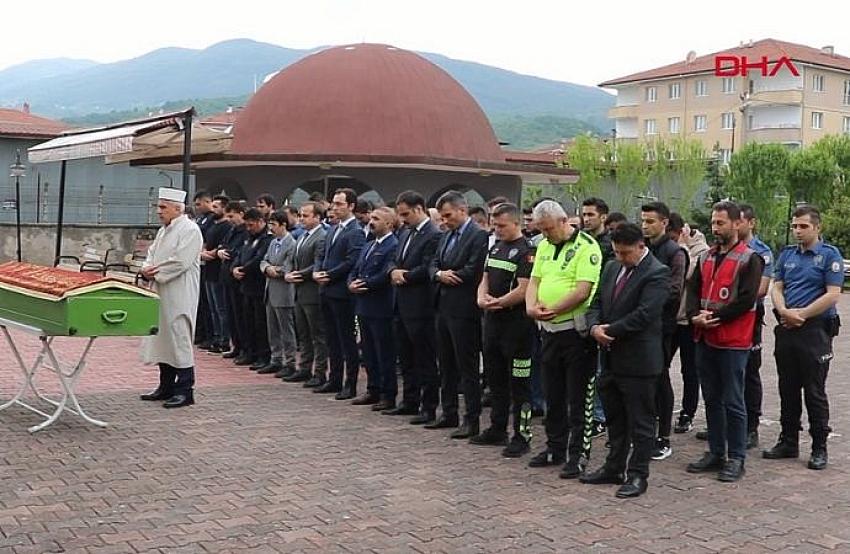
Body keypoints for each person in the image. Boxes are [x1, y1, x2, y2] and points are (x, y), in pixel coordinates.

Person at [581, 223, 669, 498]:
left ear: (641, 246)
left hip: (639, 360)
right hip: (609, 357)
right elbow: (595, 302)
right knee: (615, 417)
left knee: (641, 421)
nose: (621, 258)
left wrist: (609, 331)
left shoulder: (657, 273)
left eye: (626, 253)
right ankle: (614, 466)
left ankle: (638, 474)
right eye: (617, 252)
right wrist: (594, 326)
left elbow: (645, 314)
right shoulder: (611, 267)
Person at [684, 201, 762, 483]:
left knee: (733, 400)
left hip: (732, 341)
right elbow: (692, 290)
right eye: (713, 223)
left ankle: (737, 457)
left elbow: (746, 299)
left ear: (736, 224)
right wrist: (695, 316)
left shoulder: (750, 258)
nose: (715, 228)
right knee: (712, 398)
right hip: (705, 337)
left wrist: (714, 316)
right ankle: (716, 452)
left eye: (721, 223)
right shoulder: (706, 258)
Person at [526, 200, 601, 479]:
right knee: (552, 394)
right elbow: (534, 280)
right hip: (548, 333)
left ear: (563, 221)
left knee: (577, 398)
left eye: (548, 229)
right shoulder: (543, 246)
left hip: (574, 333)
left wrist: (555, 310)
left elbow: (583, 290)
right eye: (540, 230)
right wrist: (531, 307)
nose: (545, 234)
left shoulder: (586, 247)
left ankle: (578, 454)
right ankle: (554, 447)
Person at [763, 205, 842, 471]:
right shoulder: (787, 255)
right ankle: (788, 440)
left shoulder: (829, 255)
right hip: (788, 327)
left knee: (814, 390)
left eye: (803, 226)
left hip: (815, 330)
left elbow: (833, 293)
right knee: (787, 386)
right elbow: (777, 285)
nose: (797, 231)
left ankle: (819, 445)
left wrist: (803, 314)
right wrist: (784, 311)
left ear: (817, 227)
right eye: (794, 226)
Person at [470, 202, 536, 458]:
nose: (497, 230)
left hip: (516, 327)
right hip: (493, 325)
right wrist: (482, 298)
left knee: (519, 384)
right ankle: (498, 429)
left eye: (502, 226)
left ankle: (522, 435)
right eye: (494, 225)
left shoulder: (527, 251)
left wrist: (499, 302)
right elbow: (484, 278)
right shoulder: (495, 247)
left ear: (517, 223)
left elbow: (523, 288)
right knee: (495, 380)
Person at [426, 190, 489, 438]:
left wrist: (453, 275)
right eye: (442, 216)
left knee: (467, 366)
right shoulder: (446, 236)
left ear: (463, 210)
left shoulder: (478, 236)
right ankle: (449, 411)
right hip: (442, 306)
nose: (444, 220)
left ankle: (471, 419)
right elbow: (433, 262)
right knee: (446, 363)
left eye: (449, 215)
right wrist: (439, 275)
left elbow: (474, 267)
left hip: (464, 310)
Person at [139, 188, 203, 408]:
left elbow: (180, 261)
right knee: (162, 338)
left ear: (178, 208)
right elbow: (151, 254)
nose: (159, 211)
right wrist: (145, 268)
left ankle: (185, 389)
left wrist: (154, 272)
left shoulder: (190, 230)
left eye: (163, 207)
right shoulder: (163, 230)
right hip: (161, 290)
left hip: (180, 292)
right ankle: (165, 386)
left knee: (179, 338)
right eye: (159, 206)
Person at [388, 191, 442, 423]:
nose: (403, 219)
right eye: (400, 215)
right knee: (406, 356)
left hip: (421, 307)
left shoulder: (433, 235)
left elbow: (429, 266)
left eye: (406, 214)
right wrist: (393, 271)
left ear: (419, 209)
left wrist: (406, 275)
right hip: (401, 303)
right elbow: (394, 258)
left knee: (424, 358)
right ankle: (409, 400)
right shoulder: (405, 233)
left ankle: (428, 405)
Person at [641, 201, 687, 461]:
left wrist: (644, 300)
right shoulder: (642, 248)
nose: (645, 226)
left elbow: (673, 291)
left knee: (660, 378)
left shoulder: (674, 253)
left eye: (650, 221)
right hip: (640, 326)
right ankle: (644, 429)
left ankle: (663, 435)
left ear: (665, 223)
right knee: (643, 379)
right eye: (643, 221)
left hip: (662, 326)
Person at [314, 188, 366, 399]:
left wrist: (329, 274)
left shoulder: (355, 231)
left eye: (339, 204)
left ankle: (350, 383)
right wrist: (318, 270)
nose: (334, 207)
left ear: (351, 206)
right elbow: (322, 253)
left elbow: (352, 261)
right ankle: (334, 379)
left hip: (342, 292)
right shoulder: (333, 229)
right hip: (326, 290)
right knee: (331, 339)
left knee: (346, 340)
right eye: (333, 203)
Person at [348, 207, 399, 409]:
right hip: (364, 306)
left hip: (381, 307)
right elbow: (355, 269)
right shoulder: (368, 245)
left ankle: (388, 394)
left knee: (383, 352)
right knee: (368, 351)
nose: (371, 221)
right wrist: (351, 283)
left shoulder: (393, 245)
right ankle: (373, 389)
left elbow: (386, 274)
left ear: (389, 223)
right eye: (371, 218)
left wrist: (364, 285)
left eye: (377, 219)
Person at [737, 204, 773, 449]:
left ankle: (751, 427)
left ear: (751, 223)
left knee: (749, 371)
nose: (735, 225)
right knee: (725, 371)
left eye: (739, 221)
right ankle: (725, 422)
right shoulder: (722, 249)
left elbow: (761, 288)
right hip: (726, 315)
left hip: (749, 315)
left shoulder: (761, 251)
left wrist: (730, 298)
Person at [284, 201, 329, 385]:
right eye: (301, 215)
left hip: (311, 291)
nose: (302, 219)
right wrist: (288, 272)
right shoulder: (302, 236)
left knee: (317, 334)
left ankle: (319, 372)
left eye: (306, 215)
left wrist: (298, 274)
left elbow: (318, 263)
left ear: (318, 217)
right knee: (303, 333)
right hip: (299, 291)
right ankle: (304, 367)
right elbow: (292, 258)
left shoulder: (321, 237)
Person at [581, 197, 614, 440]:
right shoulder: (580, 242)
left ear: (603, 217)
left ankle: (599, 416)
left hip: (601, 311)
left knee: (601, 369)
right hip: (581, 310)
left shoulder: (609, 245)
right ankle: (586, 411)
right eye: (584, 214)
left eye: (591, 214)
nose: (586, 219)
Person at [673, 223, 709, 434]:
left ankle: (688, 412)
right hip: (671, 319)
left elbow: (689, 274)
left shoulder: (701, 251)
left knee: (690, 370)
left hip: (688, 320)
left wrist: (683, 248)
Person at [232, 208, 273, 369]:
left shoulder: (266, 239)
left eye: (251, 225)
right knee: (247, 322)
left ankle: (263, 355)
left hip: (258, 286)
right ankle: (250, 352)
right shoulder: (248, 238)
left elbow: (258, 259)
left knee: (260, 324)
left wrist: (242, 269)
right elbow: (239, 255)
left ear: (261, 222)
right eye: (247, 225)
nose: (248, 228)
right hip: (245, 287)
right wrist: (235, 268)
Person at [259, 211, 297, 377]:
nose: (271, 228)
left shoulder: (292, 243)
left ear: (283, 225)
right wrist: (267, 268)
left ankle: (290, 362)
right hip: (270, 290)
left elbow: (289, 266)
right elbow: (264, 260)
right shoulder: (273, 242)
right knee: (272, 329)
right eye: (270, 224)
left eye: (274, 224)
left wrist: (277, 270)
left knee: (286, 330)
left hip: (284, 292)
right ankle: (276, 359)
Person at [200, 195, 232, 354]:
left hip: (218, 270)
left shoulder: (226, 226)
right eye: (212, 206)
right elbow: (205, 241)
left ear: (225, 209)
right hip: (208, 271)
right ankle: (216, 336)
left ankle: (224, 339)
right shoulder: (213, 224)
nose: (213, 209)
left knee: (221, 308)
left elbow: (222, 246)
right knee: (212, 308)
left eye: (217, 206)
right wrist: (202, 252)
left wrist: (211, 253)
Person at [218, 203, 249, 360]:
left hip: (238, 279)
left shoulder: (245, 232)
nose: (229, 220)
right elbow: (223, 244)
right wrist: (220, 251)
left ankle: (244, 348)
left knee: (240, 316)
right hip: (227, 277)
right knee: (231, 314)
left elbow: (238, 251)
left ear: (241, 214)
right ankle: (236, 345)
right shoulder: (232, 230)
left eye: (232, 216)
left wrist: (227, 252)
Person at [192, 190, 214, 349]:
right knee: (199, 302)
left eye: (199, 204)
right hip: (199, 262)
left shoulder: (212, 219)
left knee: (208, 304)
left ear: (207, 202)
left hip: (208, 265)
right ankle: (200, 333)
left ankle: (209, 335)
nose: (197, 207)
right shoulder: (200, 219)